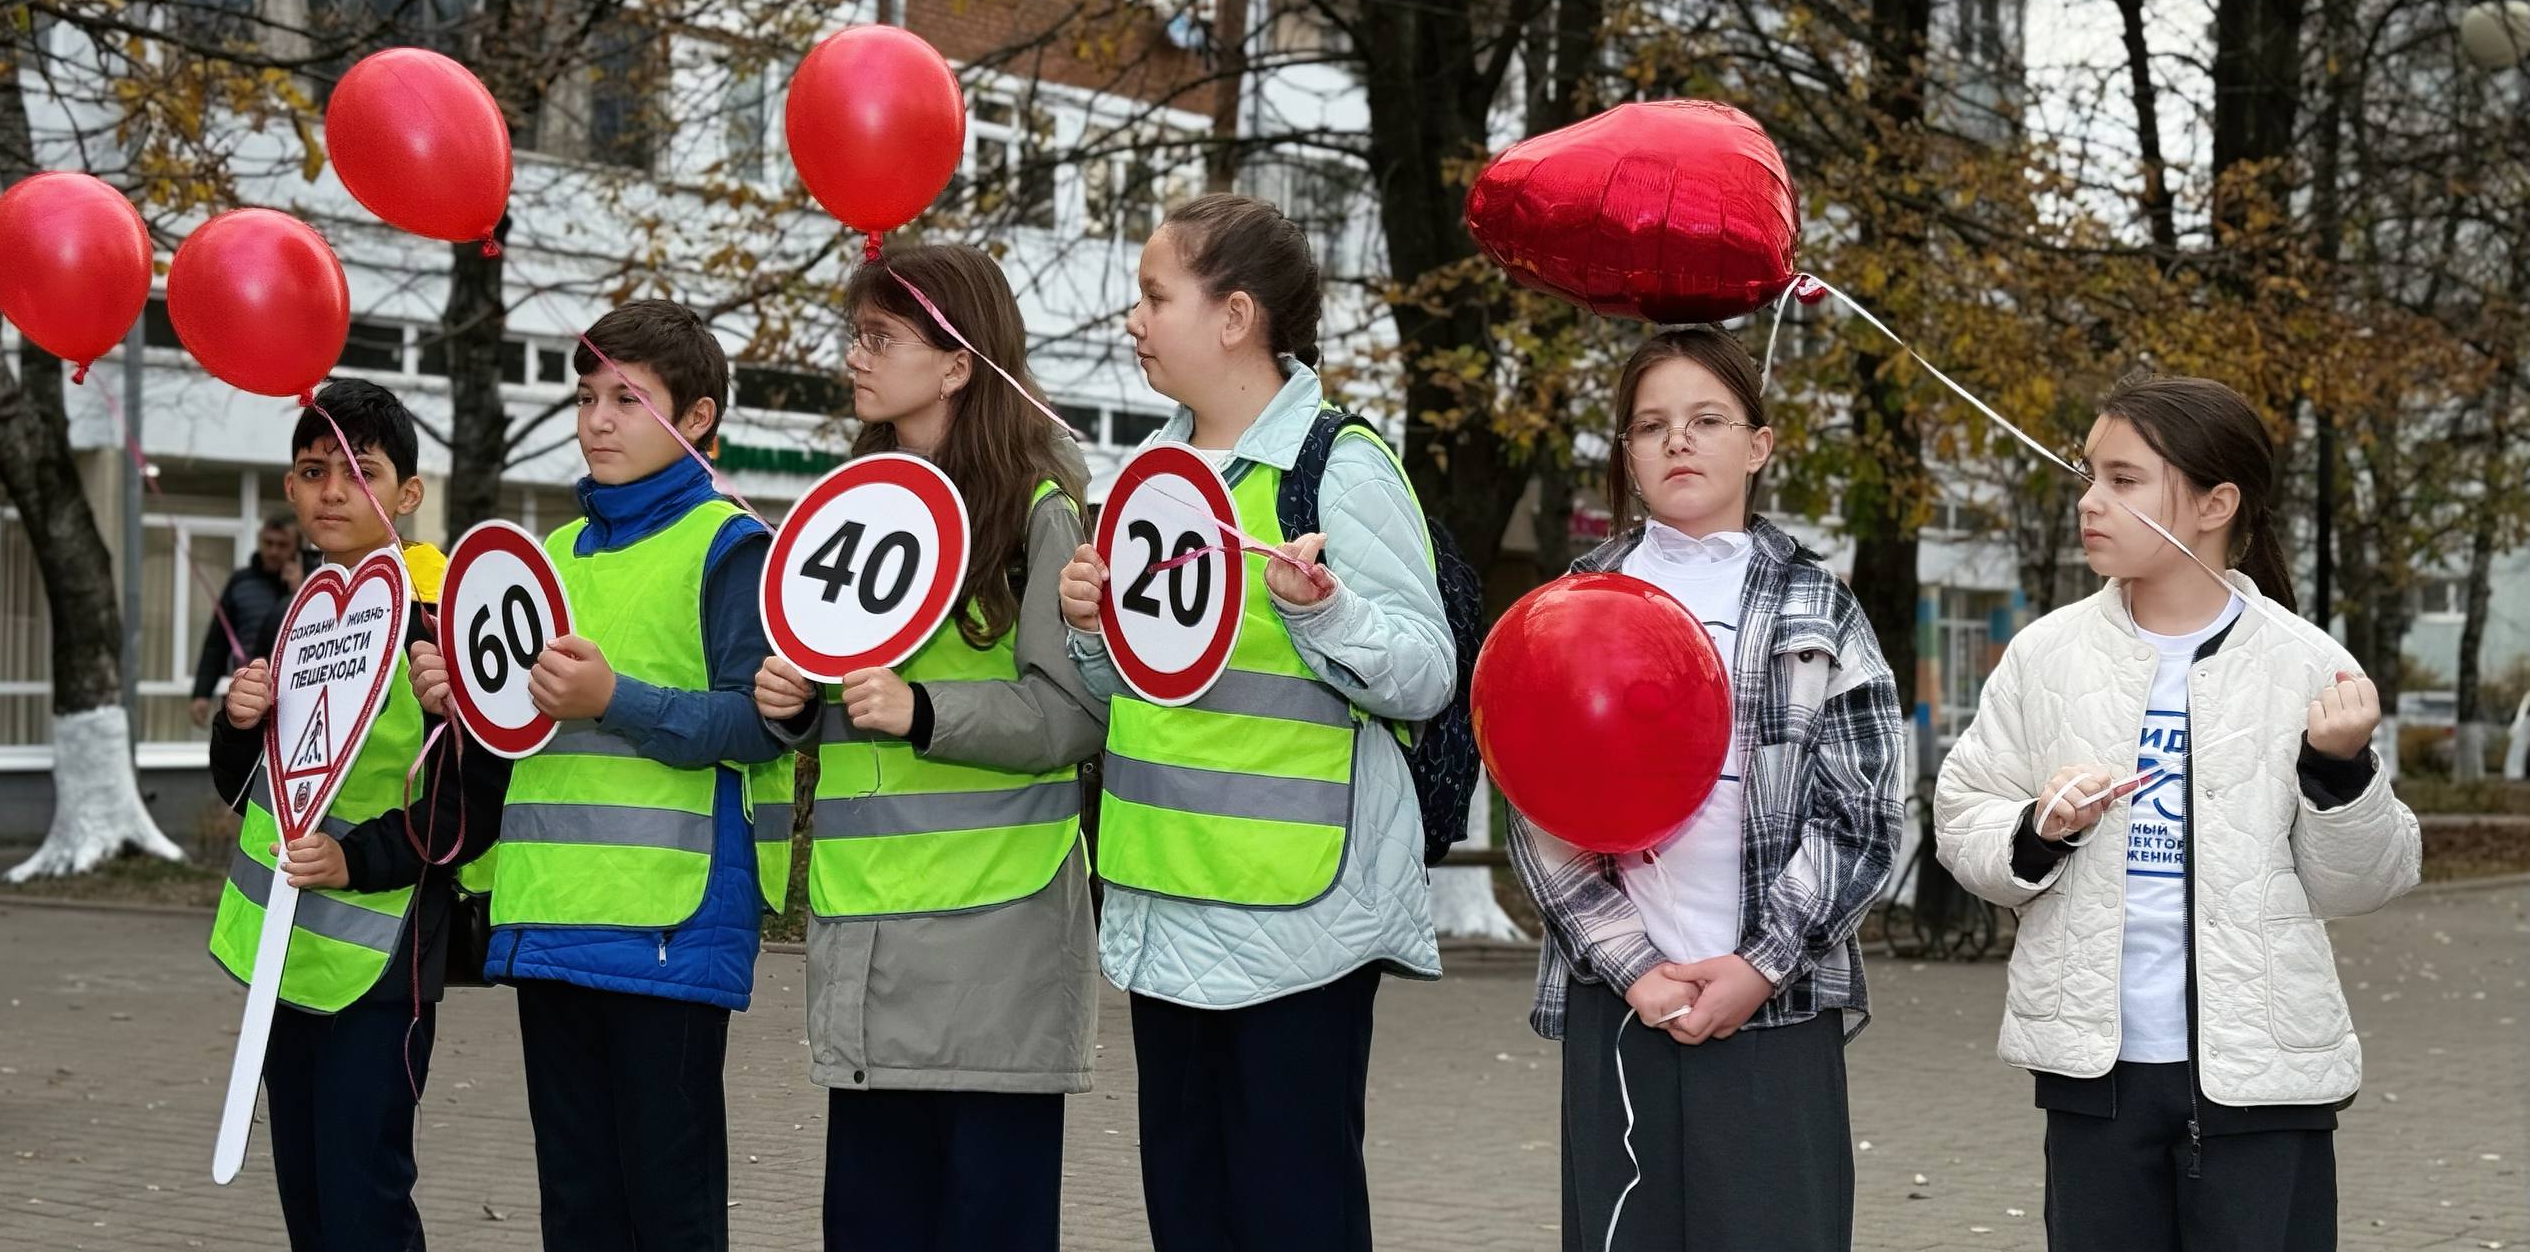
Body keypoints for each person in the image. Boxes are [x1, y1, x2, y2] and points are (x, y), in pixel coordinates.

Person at [1934, 375, 2422, 1252]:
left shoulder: (2306, 664)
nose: (2090, 502)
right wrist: (2038, 831)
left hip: (2264, 1077)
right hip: (2095, 1072)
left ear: (2215, 503)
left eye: (2123, 480)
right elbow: (1963, 815)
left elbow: (2365, 883)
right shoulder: (2048, 656)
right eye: (2090, 476)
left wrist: (2338, 772)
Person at [1057, 194, 1455, 1251]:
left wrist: (1329, 613)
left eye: (1153, 296)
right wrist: (1092, 630)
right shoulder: (1150, 479)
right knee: (1190, 1219)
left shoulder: (1341, 466)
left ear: (1234, 317)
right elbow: (1127, 703)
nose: (1132, 320)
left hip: (1300, 926)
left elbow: (1426, 674)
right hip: (1161, 907)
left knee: (1294, 1221)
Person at [1504, 326, 1905, 1252]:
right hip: (1621, 1008)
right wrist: (1636, 969)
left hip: (1778, 1006)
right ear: (1629, 455)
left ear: (1759, 445)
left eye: (1706, 418)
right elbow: (1538, 806)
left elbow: (1863, 816)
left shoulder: (1820, 609)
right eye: (1651, 426)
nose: (1677, 441)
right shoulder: (1573, 607)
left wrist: (1762, 964)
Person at [410, 299, 797, 1252]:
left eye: (629, 398)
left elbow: (762, 724)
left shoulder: (731, 546)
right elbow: (520, 739)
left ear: (696, 418)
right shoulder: (545, 560)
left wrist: (615, 697)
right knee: (578, 1210)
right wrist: (462, 702)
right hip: (552, 923)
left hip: (669, 927)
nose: (597, 420)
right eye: (587, 396)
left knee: (669, 1212)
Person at [753, 244, 1105, 1251]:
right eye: (853, 335)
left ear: (956, 364)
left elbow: (1071, 716)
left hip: (992, 941)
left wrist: (922, 710)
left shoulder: (1039, 514)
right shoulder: (853, 507)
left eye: (879, 338)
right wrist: (790, 703)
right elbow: (845, 707)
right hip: (868, 936)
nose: (854, 359)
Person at [206, 378, 508, 1251]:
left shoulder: (442, 624)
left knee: (363, 1197)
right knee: (305, 1194)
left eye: (361, 471)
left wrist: (357, 860)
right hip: (279, 953)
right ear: (291, 488)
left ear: (408, 496)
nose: (334, 490)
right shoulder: (292, 621)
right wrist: (238, 725)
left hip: (385, 966)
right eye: (313, 470)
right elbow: (248, 789)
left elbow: (474, 804)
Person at [192, 511, 306, 726]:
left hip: (294, 699)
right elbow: (216, 642)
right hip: (248, 695)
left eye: (282, 545)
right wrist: (201, 693)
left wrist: (300, 591)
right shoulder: (240, 582)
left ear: (297, 548)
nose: (273, 551)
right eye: (268, 543)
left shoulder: (312, 585)